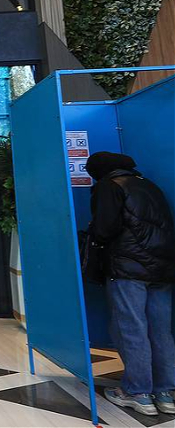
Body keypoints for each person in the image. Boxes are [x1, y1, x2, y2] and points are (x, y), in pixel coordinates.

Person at [85, 152, 175, 416]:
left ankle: (138, 393)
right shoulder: (150, 186)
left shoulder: (109, 186)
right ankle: (165, 392)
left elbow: (105, 229)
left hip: (128, 268)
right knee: (161, 331)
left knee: (131, 328)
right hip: (162, 269)